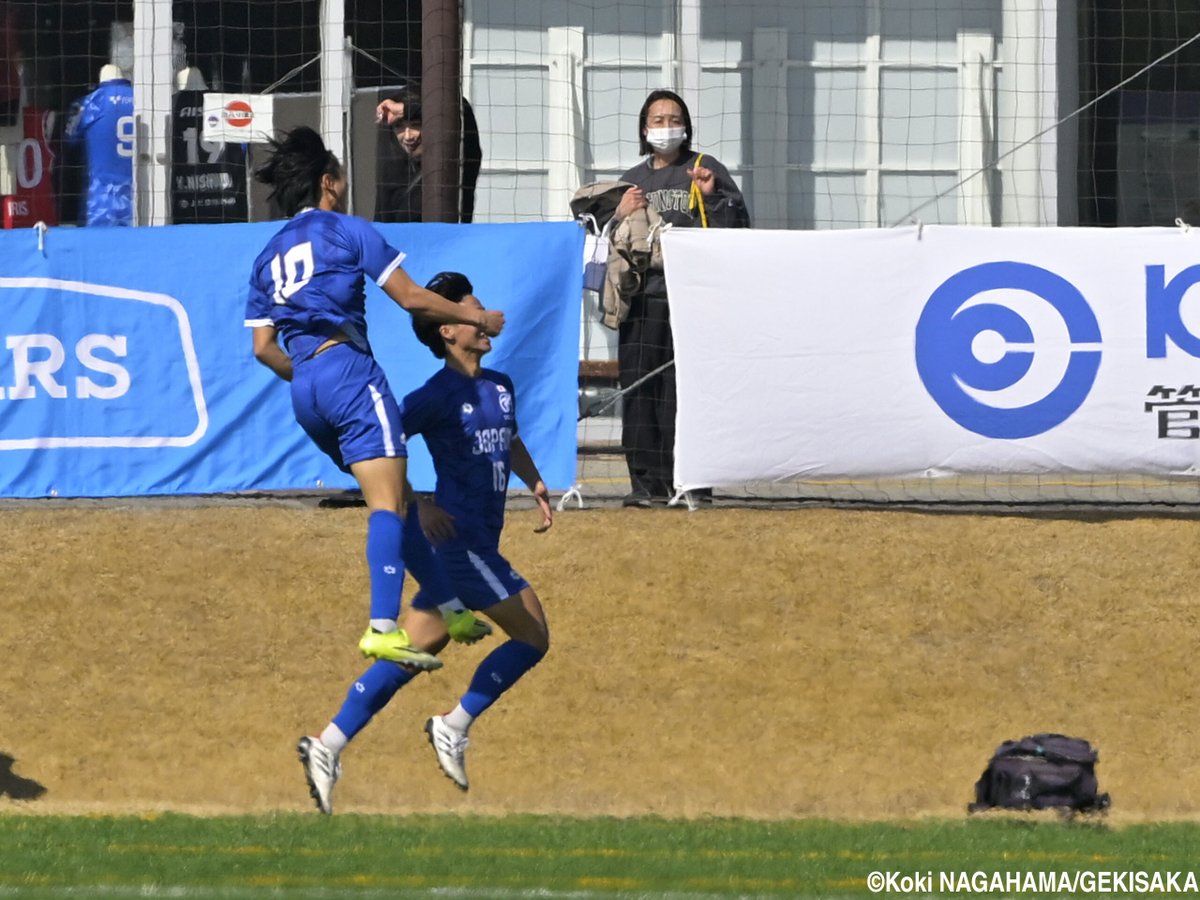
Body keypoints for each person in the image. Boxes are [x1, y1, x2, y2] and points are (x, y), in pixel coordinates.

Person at [243, 126, 502, 814]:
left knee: (397, 495)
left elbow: (264, 346)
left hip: (305, 387)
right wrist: (482, 316)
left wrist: (313, 376)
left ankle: (445, 602)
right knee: (388, 504)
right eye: (340, 173)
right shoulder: (349, 231)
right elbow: (414, 300)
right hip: (349, 370)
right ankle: (383, 621)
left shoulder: (269, 253)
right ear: (328, 181)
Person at [402, 271, 553, 793]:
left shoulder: (500, 386)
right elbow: (379, 448)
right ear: (448, 330)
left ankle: (331, 739)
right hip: (458, 542)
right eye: (473, 314)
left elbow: (508, 441)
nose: (483, 322)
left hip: (478, 543)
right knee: (532, 634)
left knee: (412, 650)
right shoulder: (434, 395)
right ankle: (453, 724)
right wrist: (418, 505)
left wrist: (532, 480)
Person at [613, 89, 750, 507]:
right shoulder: (633, 179)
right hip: (643, 298)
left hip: (691, 300)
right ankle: (645, 482)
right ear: (643, 128)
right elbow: (602, 235)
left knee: (686, 387)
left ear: (686, 127)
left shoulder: (705, 169)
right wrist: (617, 212)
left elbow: (739, 226)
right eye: (657, 119)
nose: (665, 126)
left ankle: (692, 478)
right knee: (640, 388)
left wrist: (712, 196)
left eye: (673, 118)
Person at [373, 90, 482, 223]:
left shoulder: (453, 164)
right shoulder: (394, 174)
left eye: (416, 125)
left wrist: (405, 110)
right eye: (399, 126)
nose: (408, 136)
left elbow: (458, 109)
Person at [64, 65, 134, 226]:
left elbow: (69, 140)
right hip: (140, 195)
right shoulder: (142, 99)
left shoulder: (89, 103)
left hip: (100, 201)